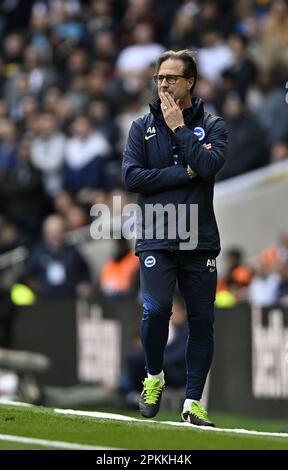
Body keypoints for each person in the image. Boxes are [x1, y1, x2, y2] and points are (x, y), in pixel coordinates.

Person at [122, 49, 228, 426]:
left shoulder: (213, 125)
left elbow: (210, 165)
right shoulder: (140, 127)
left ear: (190, 82)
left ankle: (193, 403)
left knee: (202, 321)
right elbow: (132, 177)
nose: (163, 84)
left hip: (199, 237)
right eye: (159, 78)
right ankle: (154, 376)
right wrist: (183, 174)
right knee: (155, 310)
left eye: (171, 78)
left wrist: (179, 128)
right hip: (155, 233)